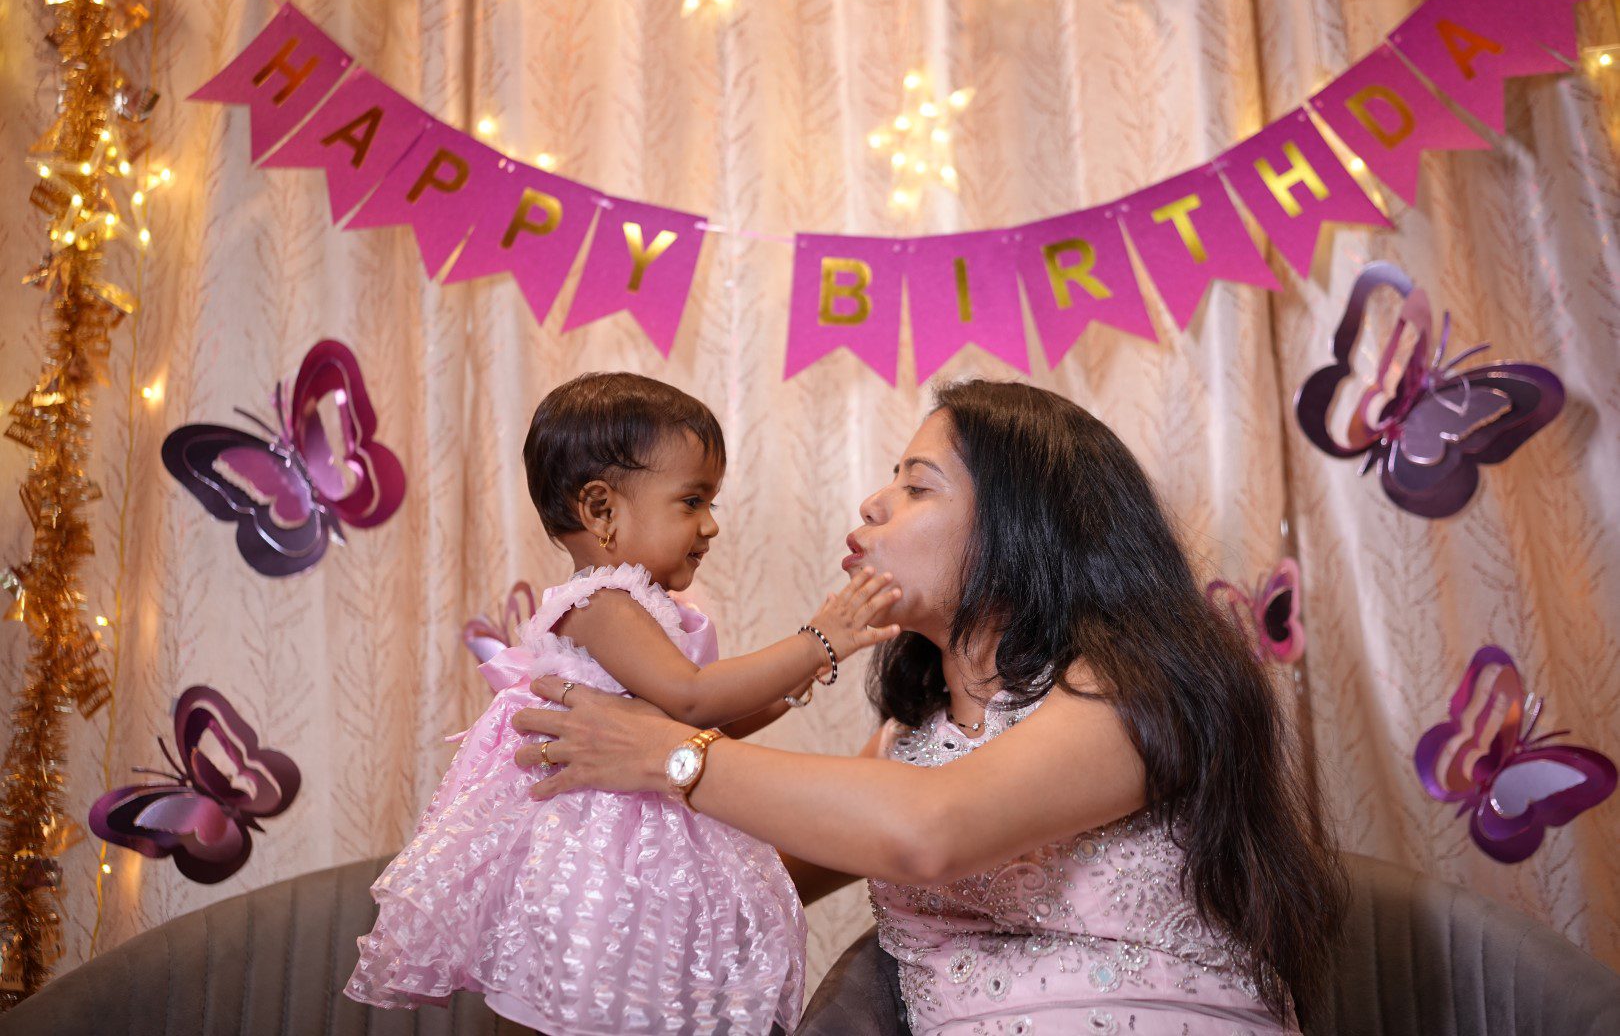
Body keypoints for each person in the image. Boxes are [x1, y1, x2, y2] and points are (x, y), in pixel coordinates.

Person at [514, 379, 1346, 1035]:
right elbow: (732, 899)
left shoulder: (1136, 687)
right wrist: (563, 861)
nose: (873, 504)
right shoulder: (907, 750)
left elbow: (928, 831)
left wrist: (665, 753)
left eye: (916, 486)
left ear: (1024, 529)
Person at [345, 372, 901, 1035]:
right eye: (692, 501)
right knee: (581, 1001)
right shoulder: (601, 602)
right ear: (601, 511)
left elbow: (698, 722)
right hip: (597, 852)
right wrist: (817, 642)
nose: (711, 524)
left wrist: (796, 679)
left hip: (637, 841)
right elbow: (691, 702)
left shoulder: (642, 606)